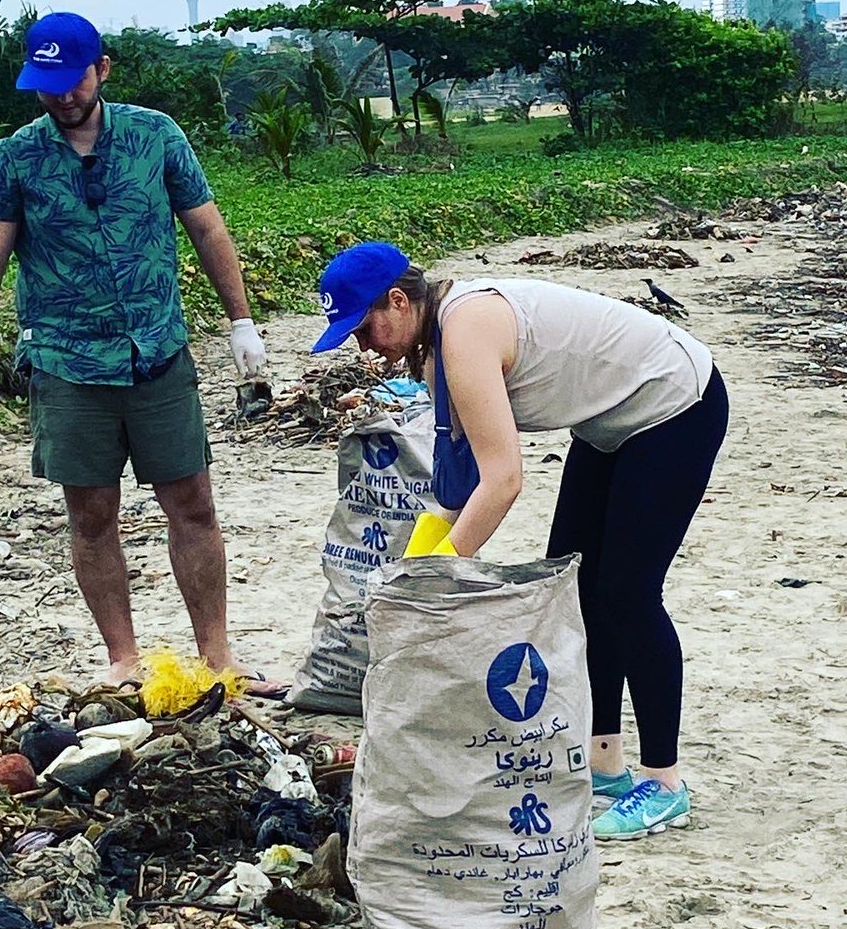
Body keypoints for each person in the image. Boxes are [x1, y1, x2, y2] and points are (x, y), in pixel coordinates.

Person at [310, 241, 729, 841]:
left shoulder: (466, 330)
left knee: (629, 594)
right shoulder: (433, 356)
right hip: (609, 423)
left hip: (674, 405)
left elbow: (505, 478)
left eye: (363, 326)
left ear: (399, 302)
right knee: (575, 583)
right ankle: (604, 761)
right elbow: (459, 481)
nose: (363, 344)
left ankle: (664, 783)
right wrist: (417, 567)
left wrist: (444, 575)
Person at [0, 11, 284, 696]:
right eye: (47, 86)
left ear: (102, 68)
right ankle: (123, 659)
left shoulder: (156, 136)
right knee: (92, 513)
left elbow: (208, 231)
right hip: (69, 366)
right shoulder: (15, 159)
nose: (62, 97)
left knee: (191, 502)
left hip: (157, 353)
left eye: (72, 81)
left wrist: (241, 321)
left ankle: (218, 655)